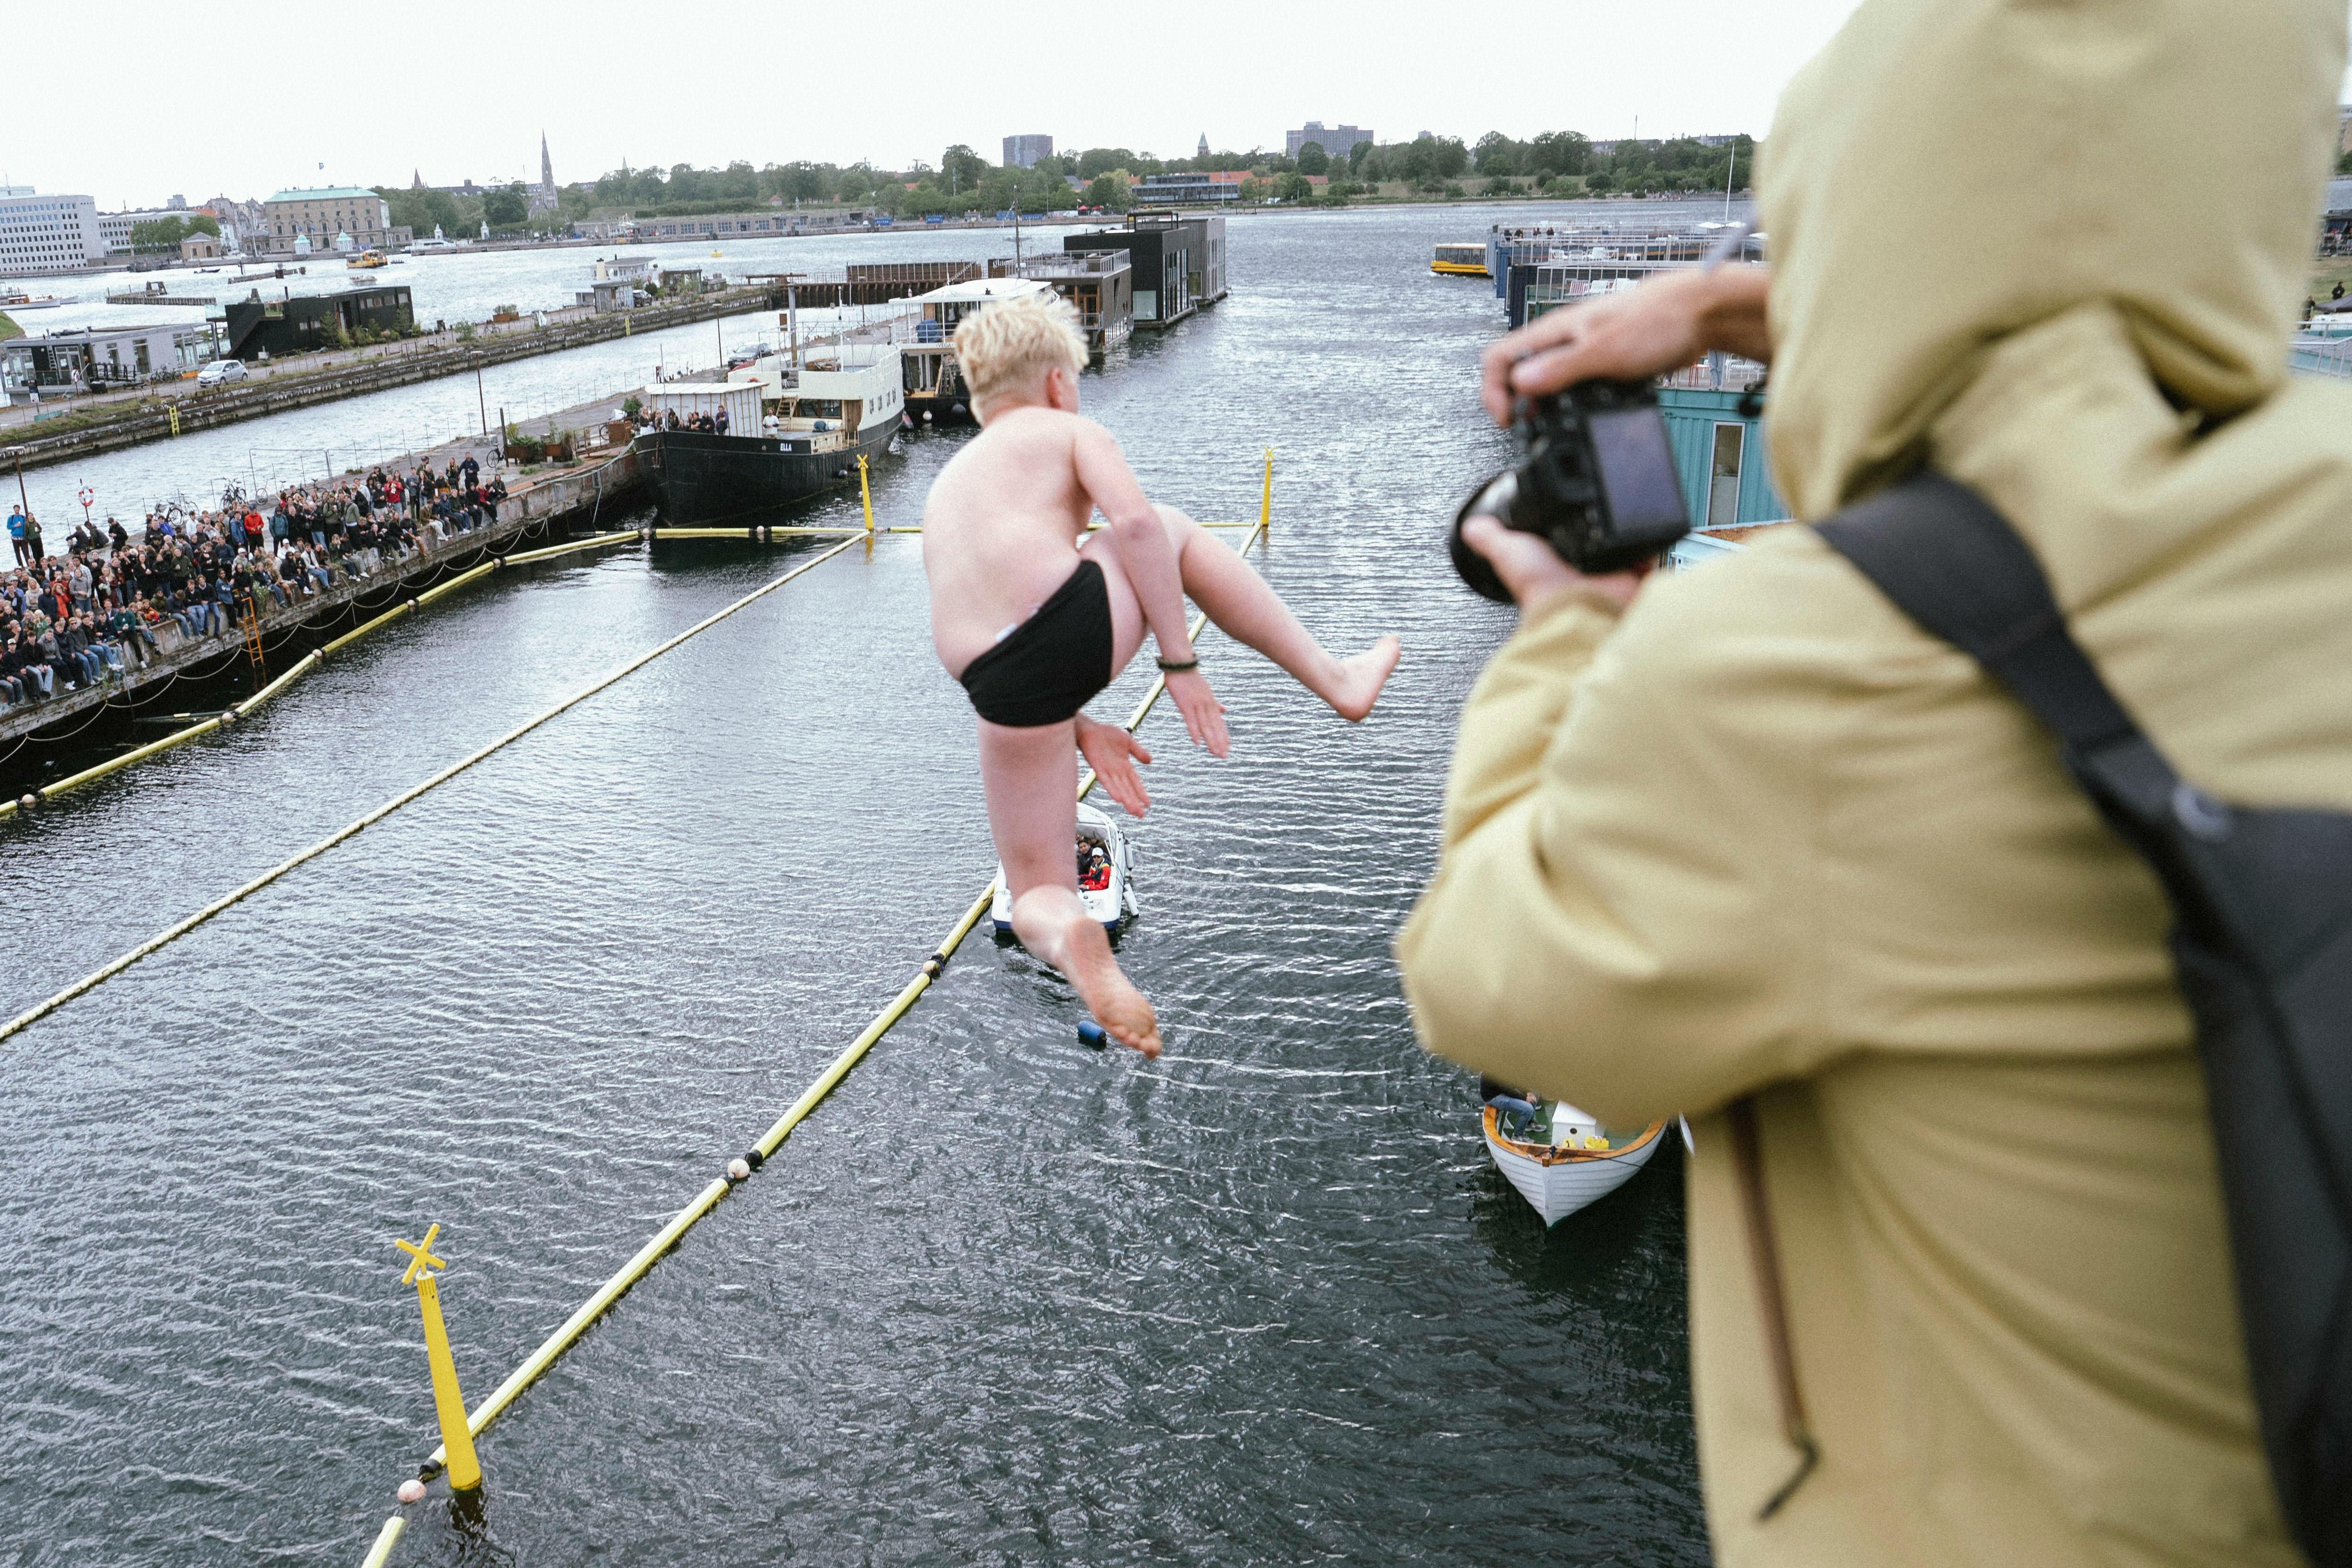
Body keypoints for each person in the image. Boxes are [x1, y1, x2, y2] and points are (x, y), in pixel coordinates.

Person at [1397, 5, 2347, 1566]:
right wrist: (1745, 307)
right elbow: (2074, 281)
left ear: (1851, 182)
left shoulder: (1807, 664)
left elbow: (1487, 989)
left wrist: (1562, 646)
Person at [923, 292, 1399, 1056]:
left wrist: (1074, 721)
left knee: (1039, 887)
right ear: (1055, 382)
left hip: (994, 685)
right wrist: (1179, 661)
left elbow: (995, 621)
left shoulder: (949, 484)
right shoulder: (1070, 428)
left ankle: (1074, 934)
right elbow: (1137, 528)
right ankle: (1337, 680)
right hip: (1067, 634)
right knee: (1170, 528)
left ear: (981, 401)